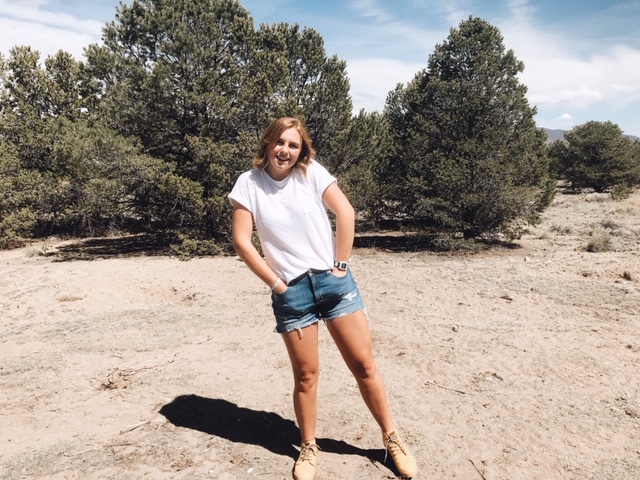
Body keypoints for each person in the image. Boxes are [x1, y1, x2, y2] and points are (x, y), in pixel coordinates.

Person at [228, 117, 417, 480]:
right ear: (268, 143)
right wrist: (276, 283)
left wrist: (341, 266)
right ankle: (309, 447)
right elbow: (241, 240)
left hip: (334, 285)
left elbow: (345, 212)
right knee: (306, 377)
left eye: (293, 145)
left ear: (302, 150)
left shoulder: (310, 172)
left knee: (364, 366)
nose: (285, 150)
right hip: (292, 292)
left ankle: (392, 438)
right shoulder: (248, 184)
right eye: (279, 142)